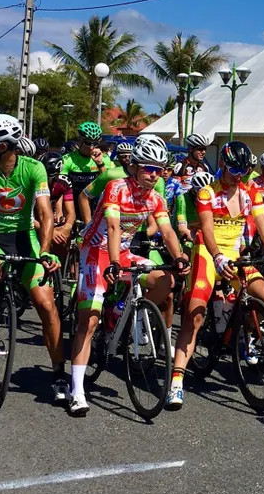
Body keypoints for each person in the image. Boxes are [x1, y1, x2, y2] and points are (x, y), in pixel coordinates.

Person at [68, 135, 190, 416]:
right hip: (95, 251)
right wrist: (112, 263)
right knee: (89, 322)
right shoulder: (115, 188)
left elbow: (168, 231)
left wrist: (179, 256)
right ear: (134, 166)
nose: (153, 174)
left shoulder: (156, 196)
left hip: (121, 251)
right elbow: (112, 227)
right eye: (148, 168)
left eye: (158, 169)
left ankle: (125, 311)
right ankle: (76, 390)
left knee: (166, 280)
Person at [167, 142, 264, 409]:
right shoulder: (207, 193)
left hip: (236, 254)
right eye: (234, 168)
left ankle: (239, 332)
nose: (239, 174)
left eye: (245, 169)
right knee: (195, 313)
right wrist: (217, 256)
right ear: (222, 164)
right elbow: (208, 229)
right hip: (208, 252)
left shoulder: (251, 193)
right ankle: (176, 379)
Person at [0, 114, 67, 402]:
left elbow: (45, 214)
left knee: (47, 305)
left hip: (24, 238)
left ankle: (59, 373)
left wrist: (45, 251)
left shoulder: (34, 168)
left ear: (4, 147)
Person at [61, 121, 113, 200]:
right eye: (88, 143)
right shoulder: (67, 159)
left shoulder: (104, 158)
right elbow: (60, 188)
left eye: (95, 143)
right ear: (80, 140)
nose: (91, 147)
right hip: (71, 201)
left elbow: (109, 184)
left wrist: (100, 164)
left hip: (94, 201)